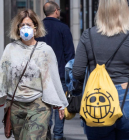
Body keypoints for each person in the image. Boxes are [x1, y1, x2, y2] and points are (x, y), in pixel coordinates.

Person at [72, 0, 129, 140]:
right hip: (127, 98)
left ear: (100, 11)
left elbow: (77, 73)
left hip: (97, 101)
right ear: (125, 12)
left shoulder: (88, 35)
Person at [0, 9, 68, 140]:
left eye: (29, 25)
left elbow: (53, 78)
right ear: (17, 28)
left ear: (35, 28)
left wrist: (61, 103)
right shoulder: (10, 49)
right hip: (15, 105)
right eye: (22, 25)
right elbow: (3, 75)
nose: (25, 28)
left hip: (38, 105)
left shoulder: (45, 50)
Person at [36, 1, 75, 140]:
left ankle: (46, 133)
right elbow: (70, 55)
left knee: (45, 105)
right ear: (56, 11)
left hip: (41, 76)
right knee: (60, 106)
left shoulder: (38, 28)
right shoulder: (63, 28)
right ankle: (58, 135)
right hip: (60, 75)